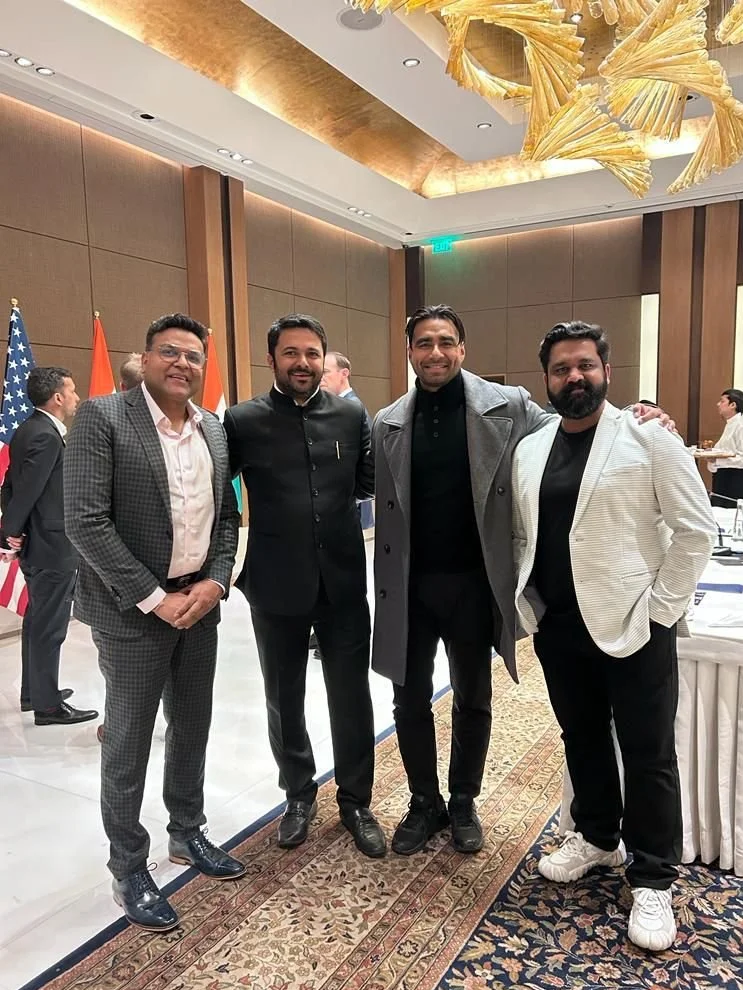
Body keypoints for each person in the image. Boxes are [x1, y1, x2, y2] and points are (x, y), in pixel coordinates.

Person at [371, 305, 671, 858]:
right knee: (408, 700)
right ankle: (423, 801)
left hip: (475, 583)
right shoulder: (387, 419)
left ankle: (463, 802)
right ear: (409, 351)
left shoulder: (506, 407)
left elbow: (578, 422)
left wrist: (639, 415)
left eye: (446, 342)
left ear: (462, 349)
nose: (435, 353)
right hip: (410, 586)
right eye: (423, 343)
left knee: (472, 696)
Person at [512, 320, 715, 952]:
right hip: (560, 625)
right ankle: (598, 839)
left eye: (585, 366)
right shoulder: (531, 448)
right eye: (561, 368)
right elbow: (527, 534)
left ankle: (653, 877)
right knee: (582, 736)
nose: (574, 377)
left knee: (649, 751)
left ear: (606, 370)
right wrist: (534, 606)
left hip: (635, 625)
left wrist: (662, 609)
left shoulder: (648, 438)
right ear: (545, 379)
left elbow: (695, 529)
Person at [64, 313, 244, 932]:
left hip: (199, 604)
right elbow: (85, 521)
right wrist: (152, 596)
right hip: (133, 613)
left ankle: (187, 832)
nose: (183, 364)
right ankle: (128, 865)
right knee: (130, 739)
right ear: (145, 357)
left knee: (192, 725)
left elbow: (225, 520)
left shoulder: (214, 430)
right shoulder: (103, 418)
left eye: (194, 356)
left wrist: (216, 581)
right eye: (170, 352)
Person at [224, 314, 385, 858]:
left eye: (312, 353)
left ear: (325, 358)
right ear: (271, 359)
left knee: (351, 696)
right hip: (274, 583)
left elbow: (372, 483)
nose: (303, 363)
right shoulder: (242, 420)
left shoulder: (349, 413)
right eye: (291, 353)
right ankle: (297, 794)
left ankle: (357, 801)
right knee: (282, 698)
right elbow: (218, 497)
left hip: (342, 582)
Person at [0, 367, 97, 724]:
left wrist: (13, 528)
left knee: (38, 621)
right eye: (71, 391)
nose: (75, 397)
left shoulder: (27, 430)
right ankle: (48, 706)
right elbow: (27, 491)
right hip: (52, 545)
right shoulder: (46, 436)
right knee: (50, 626)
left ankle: (35, 691)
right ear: (57, 397)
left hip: (38, 543)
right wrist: (8, 531)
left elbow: (7, 486)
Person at [708, 388, 743, 505]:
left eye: (722, 401)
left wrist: (718, 460)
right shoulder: (730, 424)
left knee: (731, 515)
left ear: (733, 405)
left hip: (734, 479)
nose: (718, 404)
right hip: (722, 477)